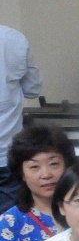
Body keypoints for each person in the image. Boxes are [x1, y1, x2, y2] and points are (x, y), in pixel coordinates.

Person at [1, 25, 43, 211]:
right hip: (7, 153)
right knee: (9, 222)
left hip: (8, 155)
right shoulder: (14, 39)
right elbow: (32, 89)